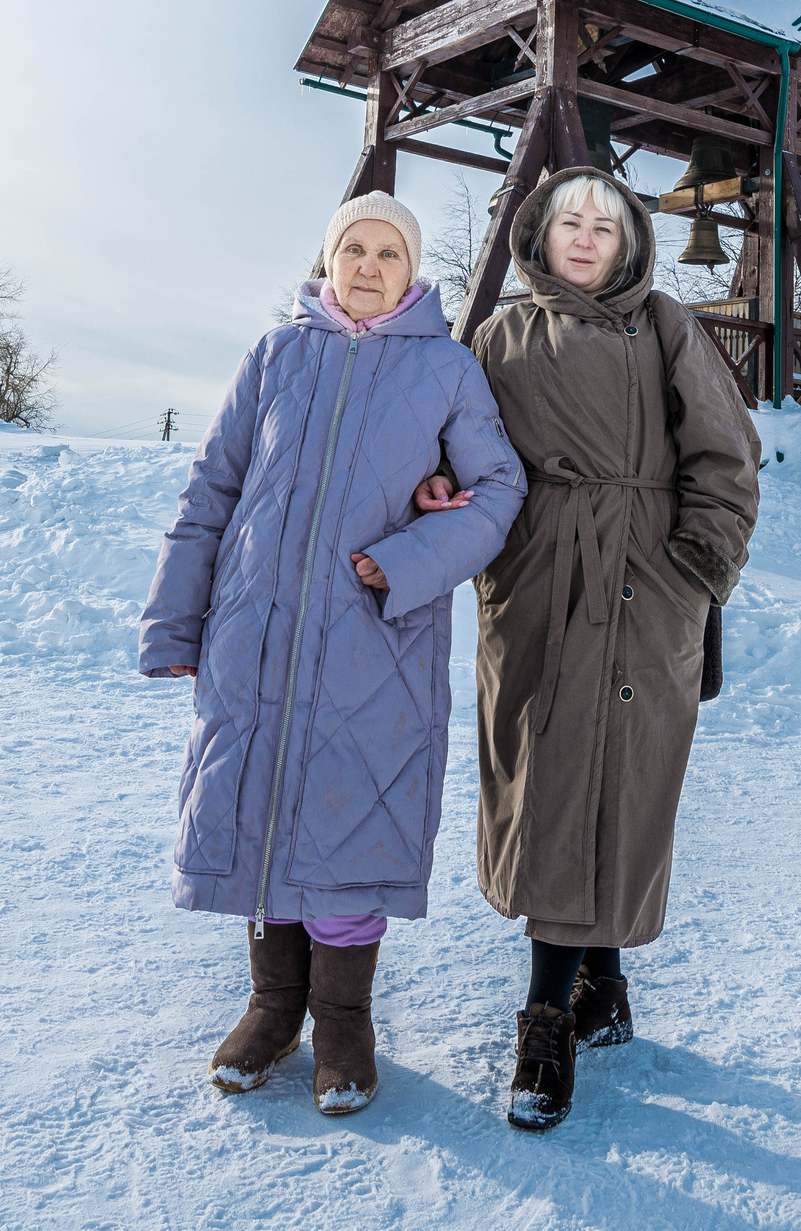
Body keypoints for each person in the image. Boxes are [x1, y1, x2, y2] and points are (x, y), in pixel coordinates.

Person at [139, 191, 525, 1116]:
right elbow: (214, 489)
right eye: (352, 247)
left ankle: (343, 1019)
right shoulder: (275, 354)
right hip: (256, 635)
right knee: (265, 814)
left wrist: (402, 565)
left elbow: (498, 490)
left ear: (413, 270)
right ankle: (273, 1007)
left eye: (388, 251)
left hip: (371, 640)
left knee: (346, 827)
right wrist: (178, 618)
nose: (367, 265)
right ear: (327, 259)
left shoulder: (446, 369)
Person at [453, 165, 761, 1130]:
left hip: (644, 587)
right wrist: (451, 513)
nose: (584, 237)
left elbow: (727, 454)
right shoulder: (499, 336)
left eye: (604, 223)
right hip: (539, 584)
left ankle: (549, 1018)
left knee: (616, 789)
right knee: (548, 781)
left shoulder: (669, 325)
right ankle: (600, 992)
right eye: (566, 222)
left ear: (629, 240)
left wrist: (693, 566)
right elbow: (455, 447)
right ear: (536, 235)